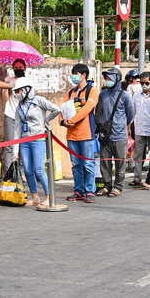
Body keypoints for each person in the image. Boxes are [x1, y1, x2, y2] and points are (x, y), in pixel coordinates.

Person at [12, 77, 61, 207]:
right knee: (27, 170)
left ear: (27, 90)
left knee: (39, 170)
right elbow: (16, 128)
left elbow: (56, 109)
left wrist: (46, 121)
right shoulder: (19, 107)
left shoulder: (39, 101)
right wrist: (15, 150)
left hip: (38, 139)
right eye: (16, 91)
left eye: (19, 90)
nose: (17, 93)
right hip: (24, 140)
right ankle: (35, 197)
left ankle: (49, 197)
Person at [62, 64, 99, 203]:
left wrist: (71, 121)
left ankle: (90, 191)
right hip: (71, 135)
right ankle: (79, 190)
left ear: (84, 75)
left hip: (86, 134)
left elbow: (87, 109)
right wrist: (62, 122)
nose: (74, 76)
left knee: (88, 164)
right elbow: (62, 108)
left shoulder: (92, 91)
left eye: (76, 73)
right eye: (73, 73)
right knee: (76, 164)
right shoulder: (70, 93)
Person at [95, 68, 134, 197]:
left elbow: (130, 114)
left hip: (120, 135)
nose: (107, 81)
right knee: (104, 161)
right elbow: (99, 113)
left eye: (110, 78)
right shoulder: (103, 94)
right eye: (106, 78)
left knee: (120, 162)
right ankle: (107, 185)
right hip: (105, 135)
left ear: (117, 79)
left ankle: (118, 186)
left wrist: (122, 126)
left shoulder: (125, 95)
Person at [129, 72, 150, 187]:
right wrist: (129, 127)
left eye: (146, 83)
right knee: (137, 155)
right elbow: (132, 112)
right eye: (142, 83)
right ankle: (137, 178)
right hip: (139, 129)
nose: (144, 85)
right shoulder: (136, 95)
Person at [2, 58, 28, 176]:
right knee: (9, 146)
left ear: (25, 68)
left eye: (20, 68)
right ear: (13, 69)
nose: (18, 70)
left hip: (24, 118)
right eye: (16, 68)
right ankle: (8, 173)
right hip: (10, 115)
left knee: (23, 146)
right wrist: (7, 88)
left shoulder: (28, 82)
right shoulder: (9, 81)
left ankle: (22, 173)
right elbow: (5, 100)